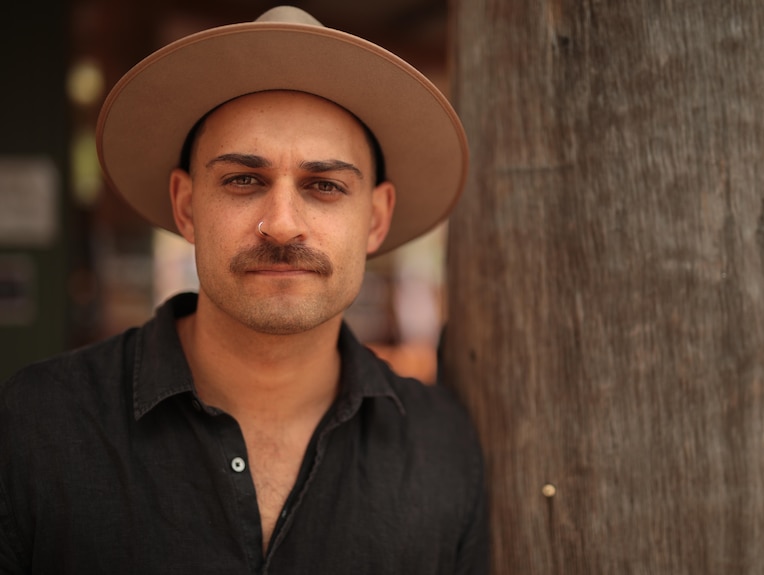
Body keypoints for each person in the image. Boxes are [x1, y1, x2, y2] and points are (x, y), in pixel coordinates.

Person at [0, 6, 487, 574]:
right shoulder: (34, 426)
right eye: (243, 180)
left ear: (376, 220)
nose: (281, 223)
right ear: (186, 207)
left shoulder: (442, 447)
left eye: (324, 185)